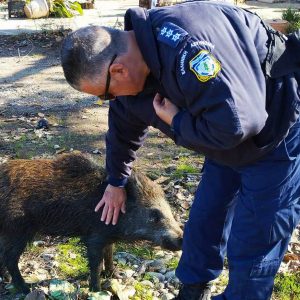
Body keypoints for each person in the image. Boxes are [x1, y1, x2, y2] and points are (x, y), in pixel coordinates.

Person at [60, 1, 300, 299]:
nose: (108, 100)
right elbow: (123, 127)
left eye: (105, 94)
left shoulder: (189, 51)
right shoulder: (133, 71)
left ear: (118, 69)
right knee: (204, 219)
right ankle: (193, 289)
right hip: (222, 144)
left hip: (275, 131)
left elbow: (237, 125)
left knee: (255, 239)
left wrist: (176, 120)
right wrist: (116, 181)